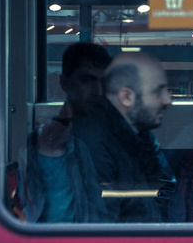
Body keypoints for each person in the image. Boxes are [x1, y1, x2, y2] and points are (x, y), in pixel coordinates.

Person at [73, 51, 177, 222]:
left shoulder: (139, 132)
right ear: (126, 97)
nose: (167, 100)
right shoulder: (92, 142)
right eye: (158, 91)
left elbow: (166, 185)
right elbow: (102, 226)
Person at [21, 42, 111, 224]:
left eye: (103, 82)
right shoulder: (51, 141)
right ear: (65, 82)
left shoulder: (106, 135)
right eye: (87, 80)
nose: (98, 92)